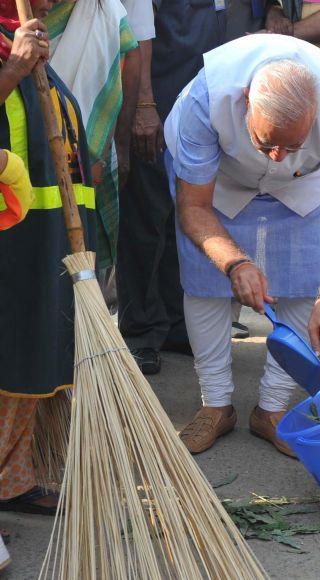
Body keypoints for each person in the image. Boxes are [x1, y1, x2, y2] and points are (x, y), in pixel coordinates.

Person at [167, 34, 320, 457]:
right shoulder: (205, 100)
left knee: (305, 286)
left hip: (305, 190)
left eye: (291, 145)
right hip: (217, 184)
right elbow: (193, 207)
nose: (277, 157)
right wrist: (235, 263)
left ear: (316, 116)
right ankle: (215, 405)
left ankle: (272, 410)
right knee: (206, 284)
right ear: (245, 101)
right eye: (267, 143)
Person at [116, 0, 275, 374]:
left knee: (188, 210)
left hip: (207, 96)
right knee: (146, 214)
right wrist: (143, 103)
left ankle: (175, 323)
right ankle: (139, 331)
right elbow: (138, 28)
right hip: (160, 93)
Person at [0, 0, 96, 521]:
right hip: (7, 233)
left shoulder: (21, 33)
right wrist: (14, 68)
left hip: (38, 232)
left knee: (30, 349)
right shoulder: (15, 47)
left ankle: (12, 477)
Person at [43, 0, 138, 272]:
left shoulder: (104, 11)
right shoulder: (13, 22)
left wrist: (100, 151)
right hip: (25, 159)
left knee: (79, 255)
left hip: (87, 162)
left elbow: (124, 60)